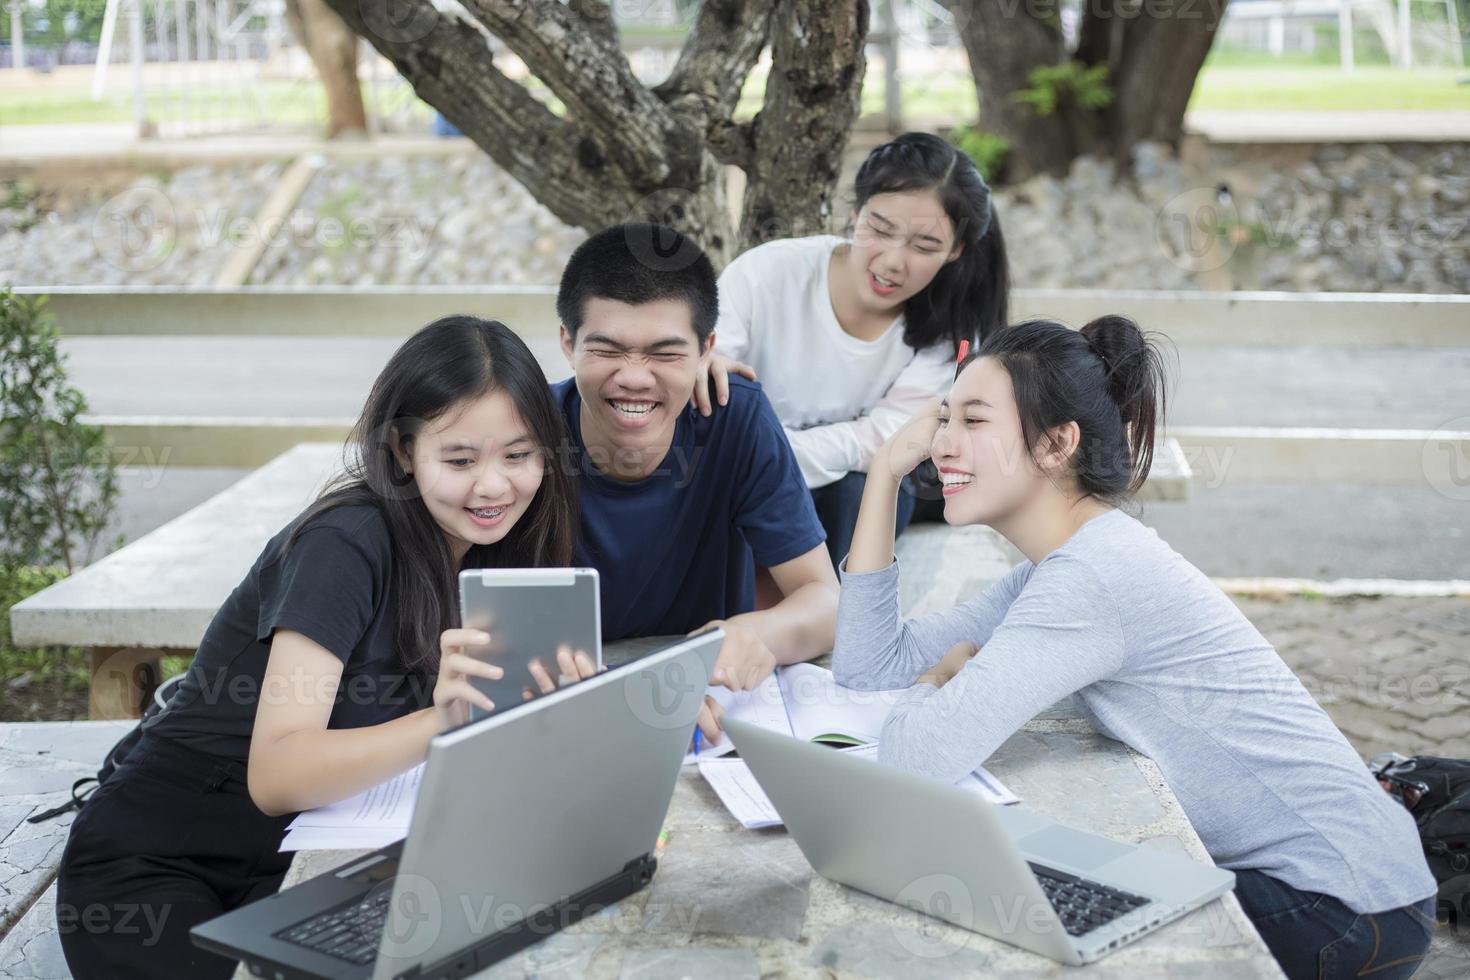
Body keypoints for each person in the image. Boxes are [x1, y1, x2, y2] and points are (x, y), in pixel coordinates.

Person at [832, 316, 1438, 980]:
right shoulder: (1058, 566)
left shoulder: (1092, 577)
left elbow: (914, 762)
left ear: (1056, 443)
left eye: (973, 422)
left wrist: (940, 682)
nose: (942, 444)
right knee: (1029, 880)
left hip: (1345, 910)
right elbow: (870, 664)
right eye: (942, 419)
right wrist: (886, 472)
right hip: (1341, 889)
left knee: (1012, 913)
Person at [57, 316, 594, 979]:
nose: (492, 485)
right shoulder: (345, 544)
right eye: (459, 459)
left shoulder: (504, 551)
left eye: (519, 455)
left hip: (313, 860)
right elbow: (279, 773)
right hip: (161, 864)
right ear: (403, 451)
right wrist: (446, 718)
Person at [553, 223, 839, 742]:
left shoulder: (736, 418)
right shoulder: (522, 433)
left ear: (708, 348)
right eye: (608, 350)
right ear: (567, 343)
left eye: (666, 353)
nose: (635, 377)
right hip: (565, 712)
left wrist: (755, 632)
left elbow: (825, 600)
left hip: (707, 715)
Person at [700, 131, 1010, 568]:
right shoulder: (770, 273)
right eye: (879, 230)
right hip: (736, 477)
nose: (891, 261)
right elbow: (706, 370)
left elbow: (890, 436)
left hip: (839, 491)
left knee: (865, 486)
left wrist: (773, 455)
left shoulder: (948, 331)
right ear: (855, 213)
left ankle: (832, 612)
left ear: (956, 251)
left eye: (924, 246)